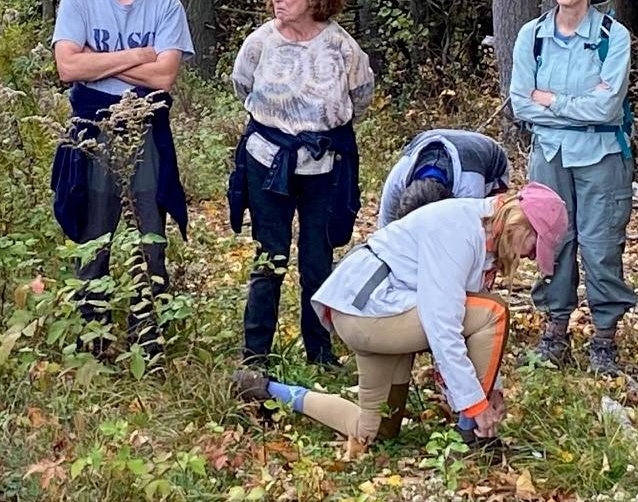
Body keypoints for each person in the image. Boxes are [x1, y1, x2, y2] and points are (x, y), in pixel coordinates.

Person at [232, 186, 569, 445]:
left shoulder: (485, 235)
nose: (529, 257)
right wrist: (476, 406)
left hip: (368, 312)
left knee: (375, 428)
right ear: (519, 225)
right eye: (534, 246)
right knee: (493, 312)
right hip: (370, 312)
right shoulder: (460, 229)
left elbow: (469, 336)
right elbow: (444, 328)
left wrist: (490, 391)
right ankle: (473, 435)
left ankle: (265, 389)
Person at [50, 0, 193, 360]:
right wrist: (139, 56)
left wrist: (100, 62)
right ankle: (91, 340)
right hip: (92, 129)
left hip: (147, 127)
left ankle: (148, 340)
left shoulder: (166, 4)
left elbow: (165, 78)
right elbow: (67, 66)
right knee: (94, 234)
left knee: (150, 233)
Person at [228, 0, 374, 367]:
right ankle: (255, 356)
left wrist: (318, 133)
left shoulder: (342, 47)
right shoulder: (259, 44)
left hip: (324, 168)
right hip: (266, 165)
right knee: (268, 259)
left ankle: (320, 354)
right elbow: (243, 88)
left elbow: (361, 97)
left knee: (317, 262)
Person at [508, 0, 634, 374]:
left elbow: (607, 108)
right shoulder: (532, 35)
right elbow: (520, 102)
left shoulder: (612, 37)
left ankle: (604, 340)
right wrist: (570, 104)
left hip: (602, 155)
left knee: (601, 247)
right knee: (550, 241)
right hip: (548, 154)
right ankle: (554, 331)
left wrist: (551, 101)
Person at [375, 130, 511, 228]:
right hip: (434, 143)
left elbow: (469, 237)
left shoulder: (469, 190)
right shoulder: (396, 182)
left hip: (492, 169)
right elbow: (385, 231)